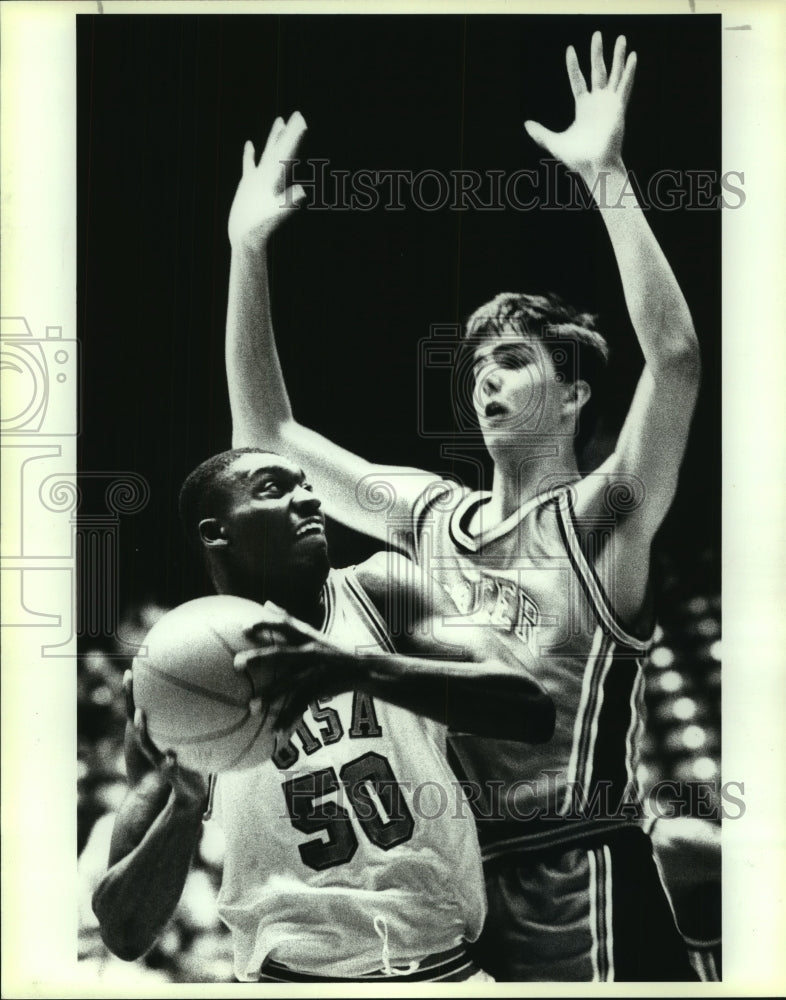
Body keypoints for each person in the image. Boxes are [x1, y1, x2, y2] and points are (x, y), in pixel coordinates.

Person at [224, 32, 702, 982]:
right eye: (477, 368)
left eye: (514, 362)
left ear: (572, 395)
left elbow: (678, 358)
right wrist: (244, 252)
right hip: (457, 889)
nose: (486, 381)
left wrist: (606, 174)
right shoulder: (433, 515)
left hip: (582, 873)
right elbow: (267, 433)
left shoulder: (603, 517)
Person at [92, 447, 555, 983]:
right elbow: (124, 931)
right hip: (292, 980)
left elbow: (531, 709)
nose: (310, 499)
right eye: (273, 488)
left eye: (306, 484)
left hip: (441, 963)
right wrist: (183, 808)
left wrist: (354, 669)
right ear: (216, 532)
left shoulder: (379, 593)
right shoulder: (178, 677)